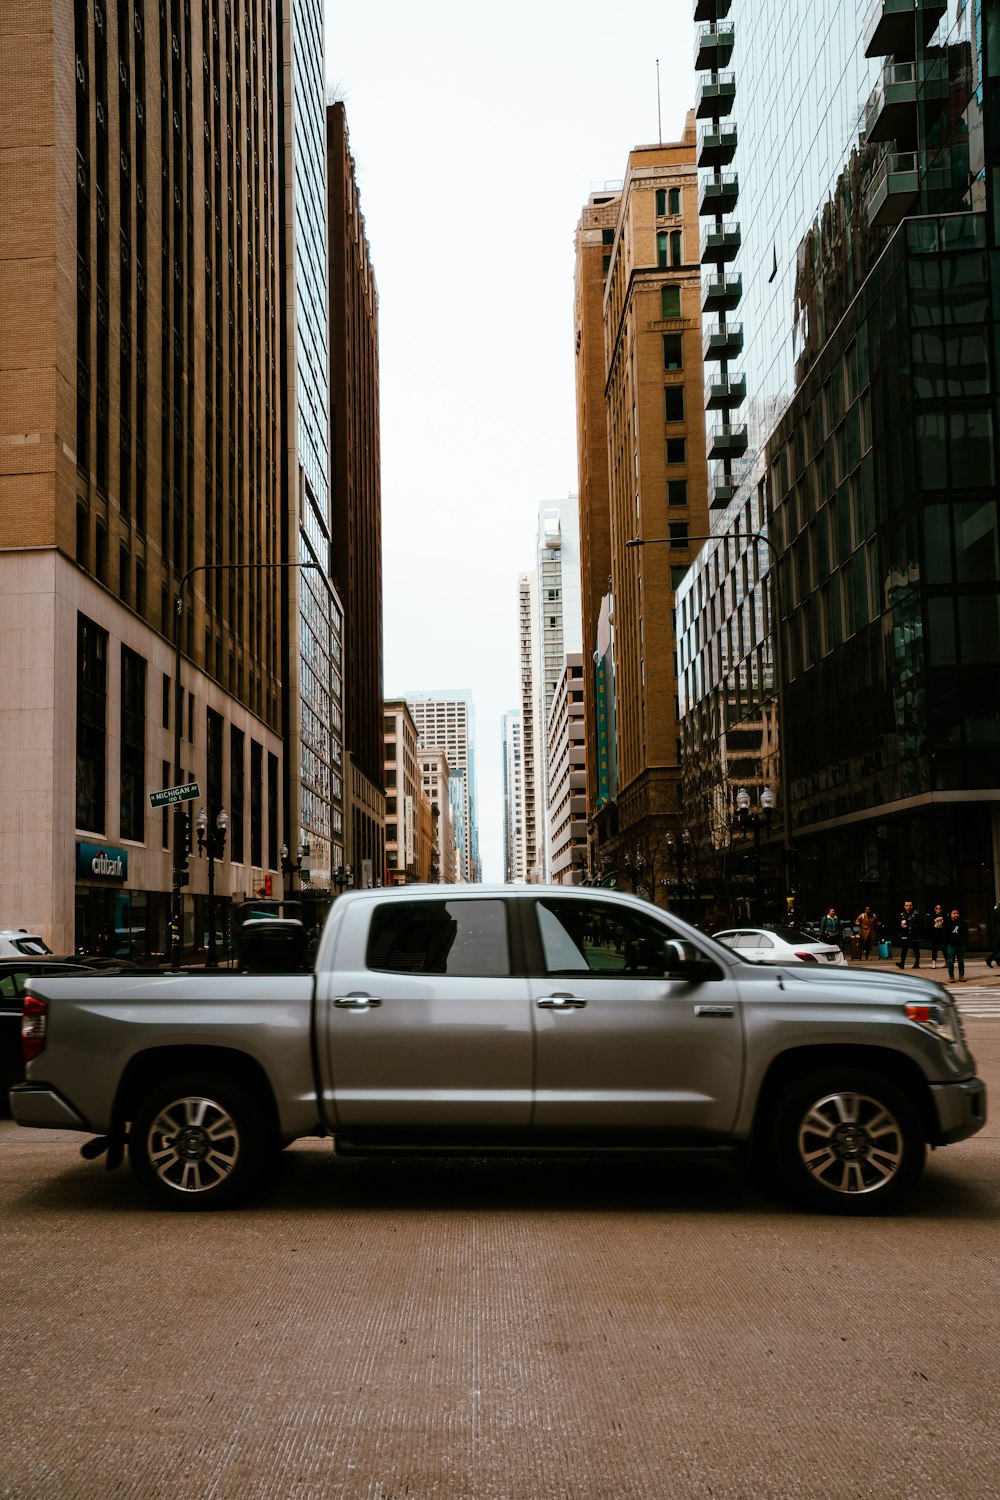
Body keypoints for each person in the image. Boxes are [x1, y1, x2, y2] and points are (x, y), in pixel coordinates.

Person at [895, 900, 923, 969]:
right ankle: (902, 963)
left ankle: (917, 963)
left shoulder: (916, 914)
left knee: (916, 949)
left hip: (914, 934)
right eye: (907, 905)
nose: (908, 907)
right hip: (905, 934)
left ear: (912, 906)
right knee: (904, 949)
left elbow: (921, 924)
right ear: (904, 906)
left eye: (910, 905)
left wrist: (912, 927)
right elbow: (897, 924)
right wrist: (901, 926)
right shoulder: (901, 914)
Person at [945, 908, 969, 982]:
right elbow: (944, 934)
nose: (955, 915)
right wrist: (947, 941)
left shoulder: (962, 923)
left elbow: (966, 933)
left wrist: (964, 941)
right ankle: (951, 977)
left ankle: (961, 976)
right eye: (954, 913)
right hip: (951, 945)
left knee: (961, 961)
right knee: (951, 961)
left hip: (960, 945)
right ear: (950, 914)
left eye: (957, 913)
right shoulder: (947, 923)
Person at [927, 903, 947, 969]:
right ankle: (934, 964)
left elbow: (948, 924)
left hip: (942, 935)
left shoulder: (944, 916)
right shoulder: (932, 916)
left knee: (944, 949)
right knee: (934, 949)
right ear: (935, 909)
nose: (938, 909)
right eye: (937, 908)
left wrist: (943, 922)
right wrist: (934, 921)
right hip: (934, 935)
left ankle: (947, 962)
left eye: (940, 908)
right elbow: (928, 925)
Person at [986, 903, 1000, 970]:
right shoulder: (998, 910)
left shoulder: (996, 910)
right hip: (999, 933)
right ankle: (991, 959)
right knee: (997, 949)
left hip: (997, 933)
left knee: (997, 949)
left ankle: (991, 959)